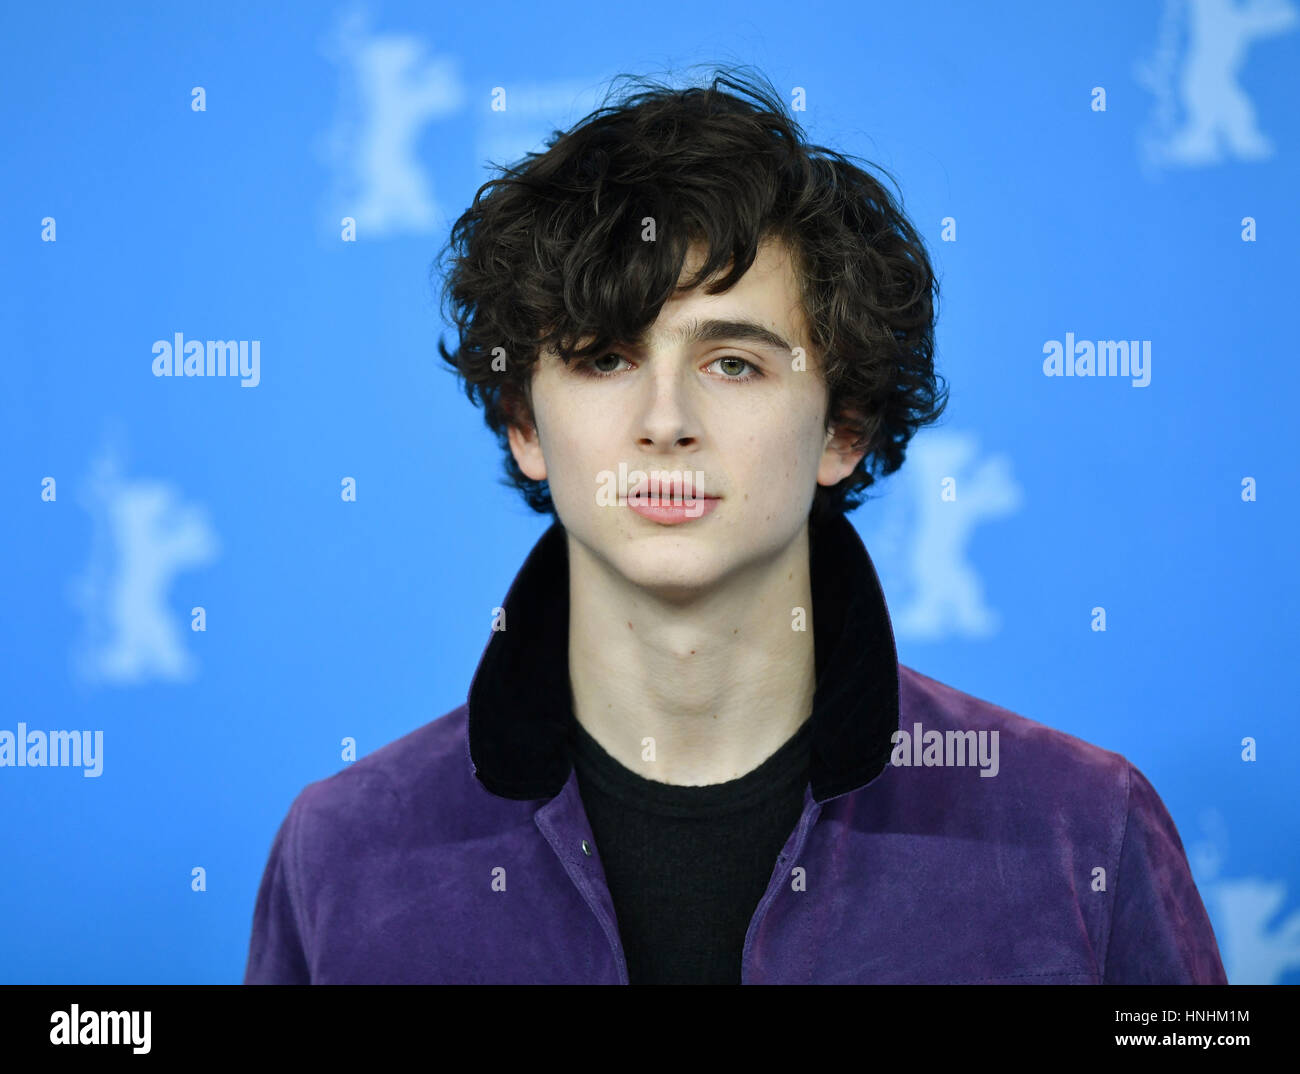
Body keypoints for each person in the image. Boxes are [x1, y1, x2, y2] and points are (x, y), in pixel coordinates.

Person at [243, 67, 1227, 985]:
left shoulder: (1077, 830)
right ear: (522, 424)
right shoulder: (345, 854)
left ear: (843, 427)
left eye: (734, 363)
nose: (664, 420)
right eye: (602, 358)